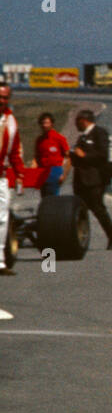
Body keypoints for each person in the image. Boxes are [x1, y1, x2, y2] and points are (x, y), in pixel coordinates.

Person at [70, 109, 112, 249]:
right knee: (79, 211)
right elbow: (77, 157)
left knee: (98, 208)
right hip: (80, 180)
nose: (76, 125)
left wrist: (84, 156)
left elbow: (102, 155)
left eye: (77, 121)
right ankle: (80, 239)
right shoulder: (82, 137)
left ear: (84, 120)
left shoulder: (99, 133)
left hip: (96, 180)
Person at [0, 85, 22, 274]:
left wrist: (20, 171)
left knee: (2, 218)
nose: (2, 100)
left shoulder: (11, 122)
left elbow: (14, 151)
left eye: (5, 97)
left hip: (1, 177)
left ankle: (0, 261)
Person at [33, 113, 70, 197]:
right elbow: (36, 157)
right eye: (43, 123)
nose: (44, 125)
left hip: (55, 171)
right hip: (42, 171)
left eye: (47, 123)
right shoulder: (39, 140)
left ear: (52, 124)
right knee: (44, 197)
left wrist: (64, 175)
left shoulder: (59, 138)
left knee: (53, 198)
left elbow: (68, 157)